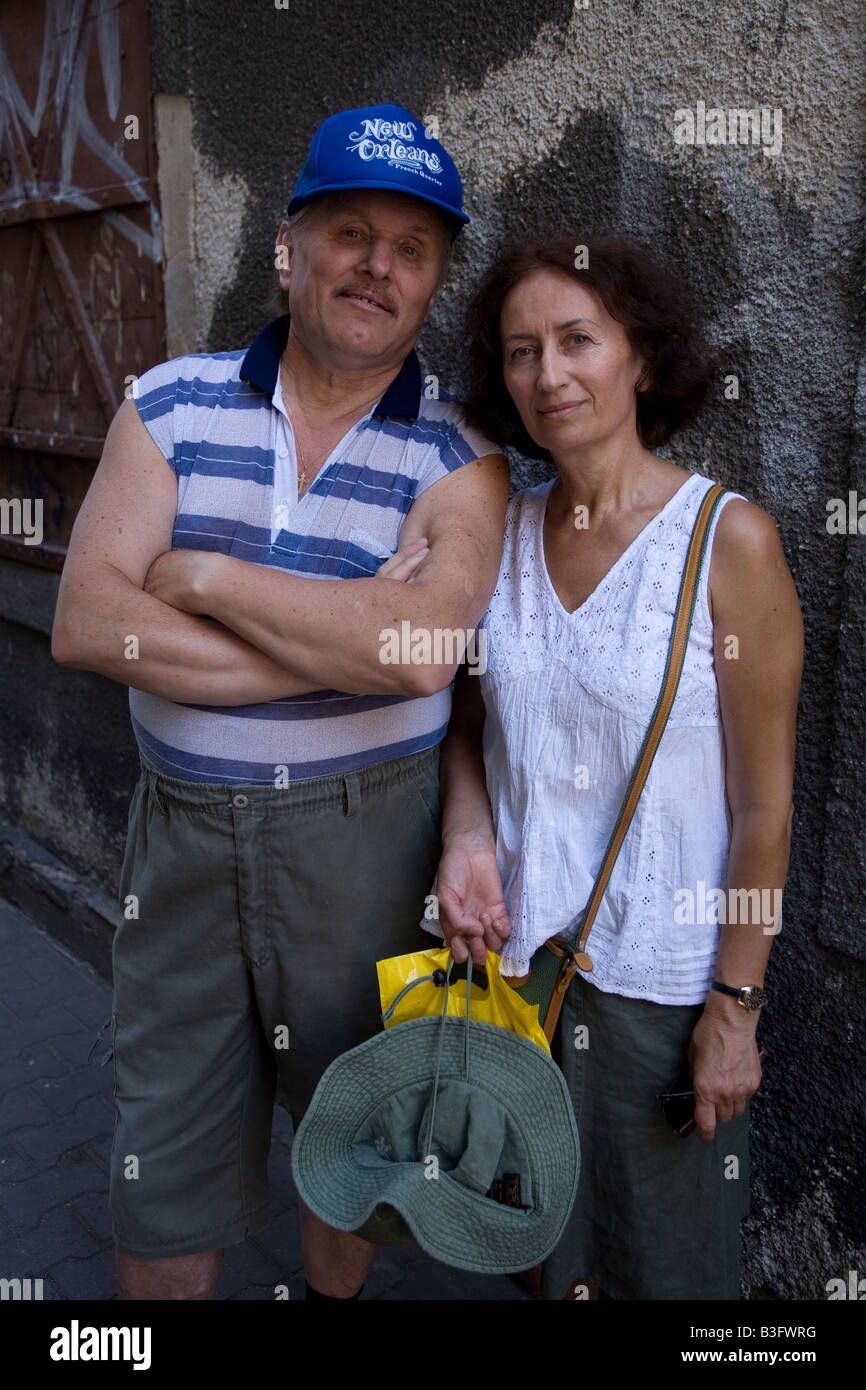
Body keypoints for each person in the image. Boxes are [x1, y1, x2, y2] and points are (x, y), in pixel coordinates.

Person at [51, 103, 508, 1301]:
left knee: (351, 1140)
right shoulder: (166, 402)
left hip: (372, 840)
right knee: (160, 1161)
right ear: (287, 248)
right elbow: (90, 622)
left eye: (410, 251)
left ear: (433, 282)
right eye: (350, 232)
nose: (378, 265)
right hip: (186, 838)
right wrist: (343, 634)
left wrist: (200, 580)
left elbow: (419, 649)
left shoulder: (462, 450)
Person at [432, 234, 803, 1299]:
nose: (546, 375)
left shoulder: (722, 542)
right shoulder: (494, 530)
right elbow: (465, 723)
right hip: (519, 983)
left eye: (575, 340)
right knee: (545, 1267)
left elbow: (765, 804)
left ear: (639, 357)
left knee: (672, 1276)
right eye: (517, 351)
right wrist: (466, 837)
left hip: (661, 997)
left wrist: (733, 1007)